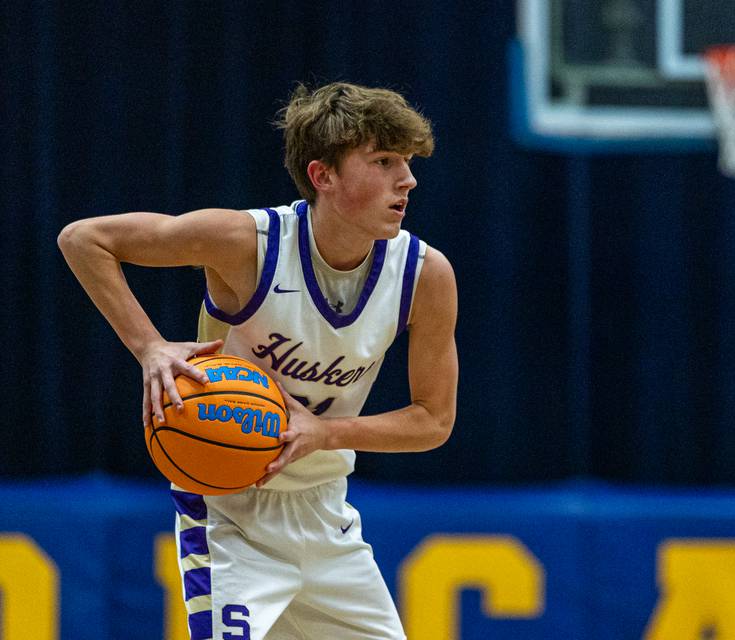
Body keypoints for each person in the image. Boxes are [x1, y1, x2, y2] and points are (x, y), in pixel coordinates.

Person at [58, 81, 458, 640]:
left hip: (325, 513)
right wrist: (149, 346)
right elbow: (85, 239)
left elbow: (433, 422)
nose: (407, 179)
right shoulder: (246, 242)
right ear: (323, 176)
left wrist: (325, 432)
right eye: (384, 160)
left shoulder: (425, 274)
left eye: (409, 162)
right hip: (230, 510)